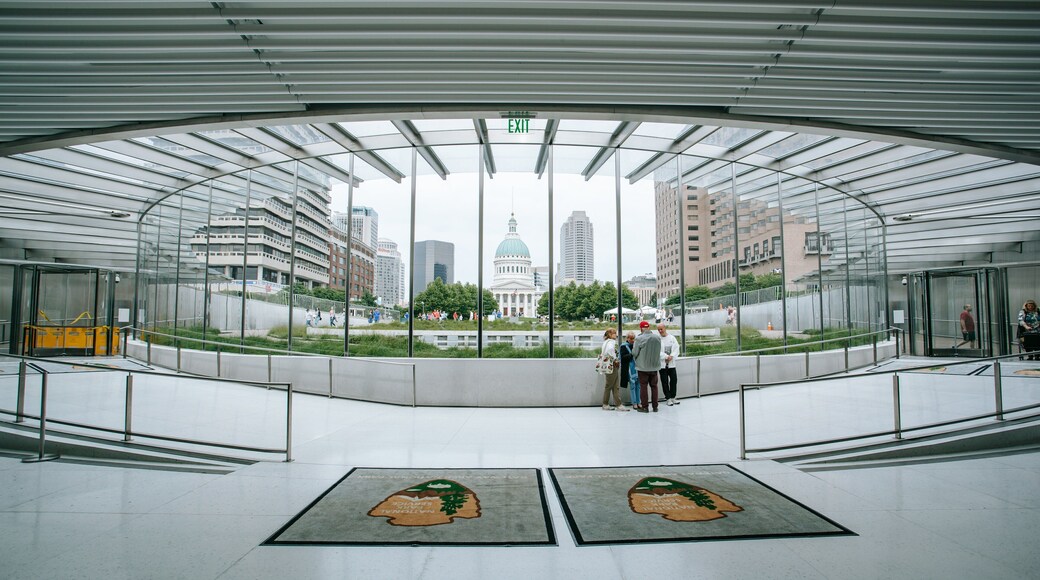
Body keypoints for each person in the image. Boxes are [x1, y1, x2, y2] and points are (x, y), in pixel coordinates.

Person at [631, 320, 662, 413]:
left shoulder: (639, 339)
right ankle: (655, 407)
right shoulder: (657, 337)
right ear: (649, 327)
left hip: (643, 368)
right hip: (655, 367)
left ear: (641, 329)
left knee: (643, 387)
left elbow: (634, 353)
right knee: (654, 386)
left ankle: (645, 407)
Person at [599, 328, 629, 411]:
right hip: (611, 365)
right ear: (610, 334)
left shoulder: (605, 342)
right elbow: (609, 350)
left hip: (607, 365)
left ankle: (618, 404)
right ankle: (606, 404)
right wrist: (615, 359)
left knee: (614, 385)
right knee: (610, 386)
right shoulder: (611, 342)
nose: (616, 335)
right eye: (614, 333)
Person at [657, 324, 681, 406]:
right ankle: (668, 398)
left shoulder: (672, 338)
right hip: (663, 365)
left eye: (661, 329)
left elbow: (676, 348)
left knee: (674, 380)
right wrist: (666, 356)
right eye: (659, 329)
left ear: (665, 328)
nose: (660, 331)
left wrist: (672, 356)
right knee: (664, 382)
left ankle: (673, 397)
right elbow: (657, 351)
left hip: (671, 364)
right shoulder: (658, 339)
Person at [619, 331, 641, 410]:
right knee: (632, 386)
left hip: (637, 368)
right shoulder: (623, 346)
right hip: (629, 369)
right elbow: (623, 358)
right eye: (631, 338)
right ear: (627, 338)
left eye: (633, 338)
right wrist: (632, 354)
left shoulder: (636, 345)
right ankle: (634, 403)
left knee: (638, 386)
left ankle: (639, 402)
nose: (632, 340)